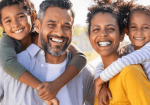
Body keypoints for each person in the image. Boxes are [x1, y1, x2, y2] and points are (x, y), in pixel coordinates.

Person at [0, 0, 94, 105]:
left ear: (32, 17)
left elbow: (80, 57)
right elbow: (8, 63)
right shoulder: (6, 45)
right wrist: (43, 89)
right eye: (51, 25)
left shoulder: (86, 73)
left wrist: (55, 86)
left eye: (20, 17)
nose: (15, 24)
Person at [86, 0, 150, 105]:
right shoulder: (101, 76)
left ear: (122, 35)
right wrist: (100, 83)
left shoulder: (130, 72)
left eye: (110, 28)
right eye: (96, 29)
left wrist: (99, 81)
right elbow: (100, 65)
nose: (103, 34)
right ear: (89, 37)